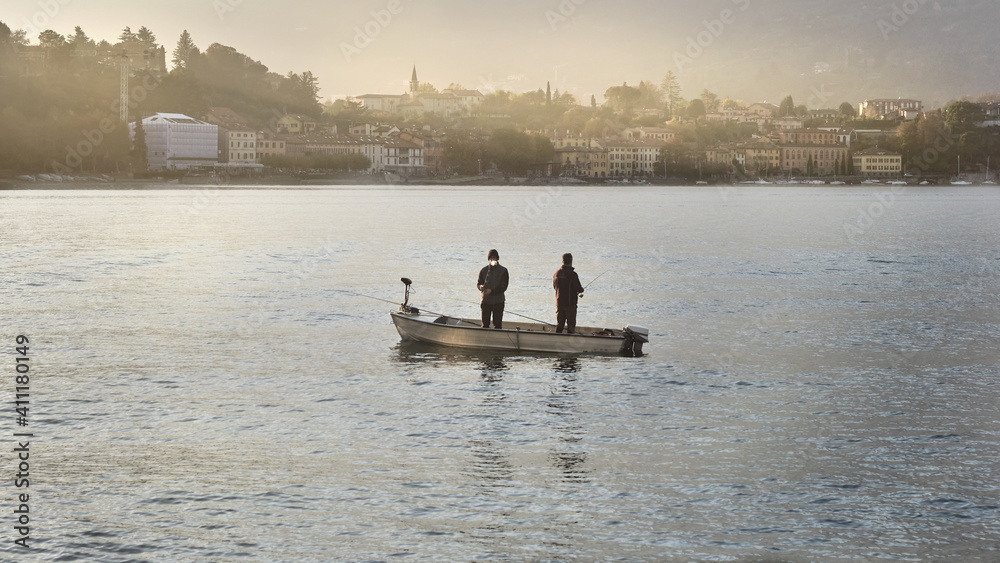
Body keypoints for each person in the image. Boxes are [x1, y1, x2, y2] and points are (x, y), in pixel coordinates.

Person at [553, 252, 585, 334]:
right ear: (571, 261)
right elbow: (578, 288)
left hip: (559, 303)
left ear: (562, 261)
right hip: (570, 304)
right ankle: (569, 343)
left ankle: (556, 339)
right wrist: (581, 290)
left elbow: (555, 287)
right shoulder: (573, 274)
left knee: (560, 325)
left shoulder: (556, 273)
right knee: (571, 325)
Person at [477, 249, 509, 329]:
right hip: (486, 302)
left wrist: (491, 291)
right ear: (489, 259)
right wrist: (480, 287)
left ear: (497, 259)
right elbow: (478, 283)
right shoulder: (483, 270)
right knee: (485, 325)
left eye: (494, 258)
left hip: (498, 302)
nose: (493, 259)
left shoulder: (504, 271)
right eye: (491, 258)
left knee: (497, 325)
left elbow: (504, 287)